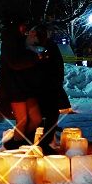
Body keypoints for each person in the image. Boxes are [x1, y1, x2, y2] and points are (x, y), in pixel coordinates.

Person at [0, 17, 41, 150]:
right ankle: (15, 146)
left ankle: (23, 142)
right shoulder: (10, 41)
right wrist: (35, 58)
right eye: (23, 25)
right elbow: (15, 62)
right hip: (14, 87)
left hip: (27, 86)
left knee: (36, 118)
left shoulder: (20, 40)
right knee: (23, 120)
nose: (25, 28)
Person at [31, 24, 70, 154]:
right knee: (43, 115)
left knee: (50, 114)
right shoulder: (35, 47)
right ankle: (37, 142)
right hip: (41, 87)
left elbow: (58, 65)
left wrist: (57, 81)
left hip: (48, 87)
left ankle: (42, 140)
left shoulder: (49, 46)